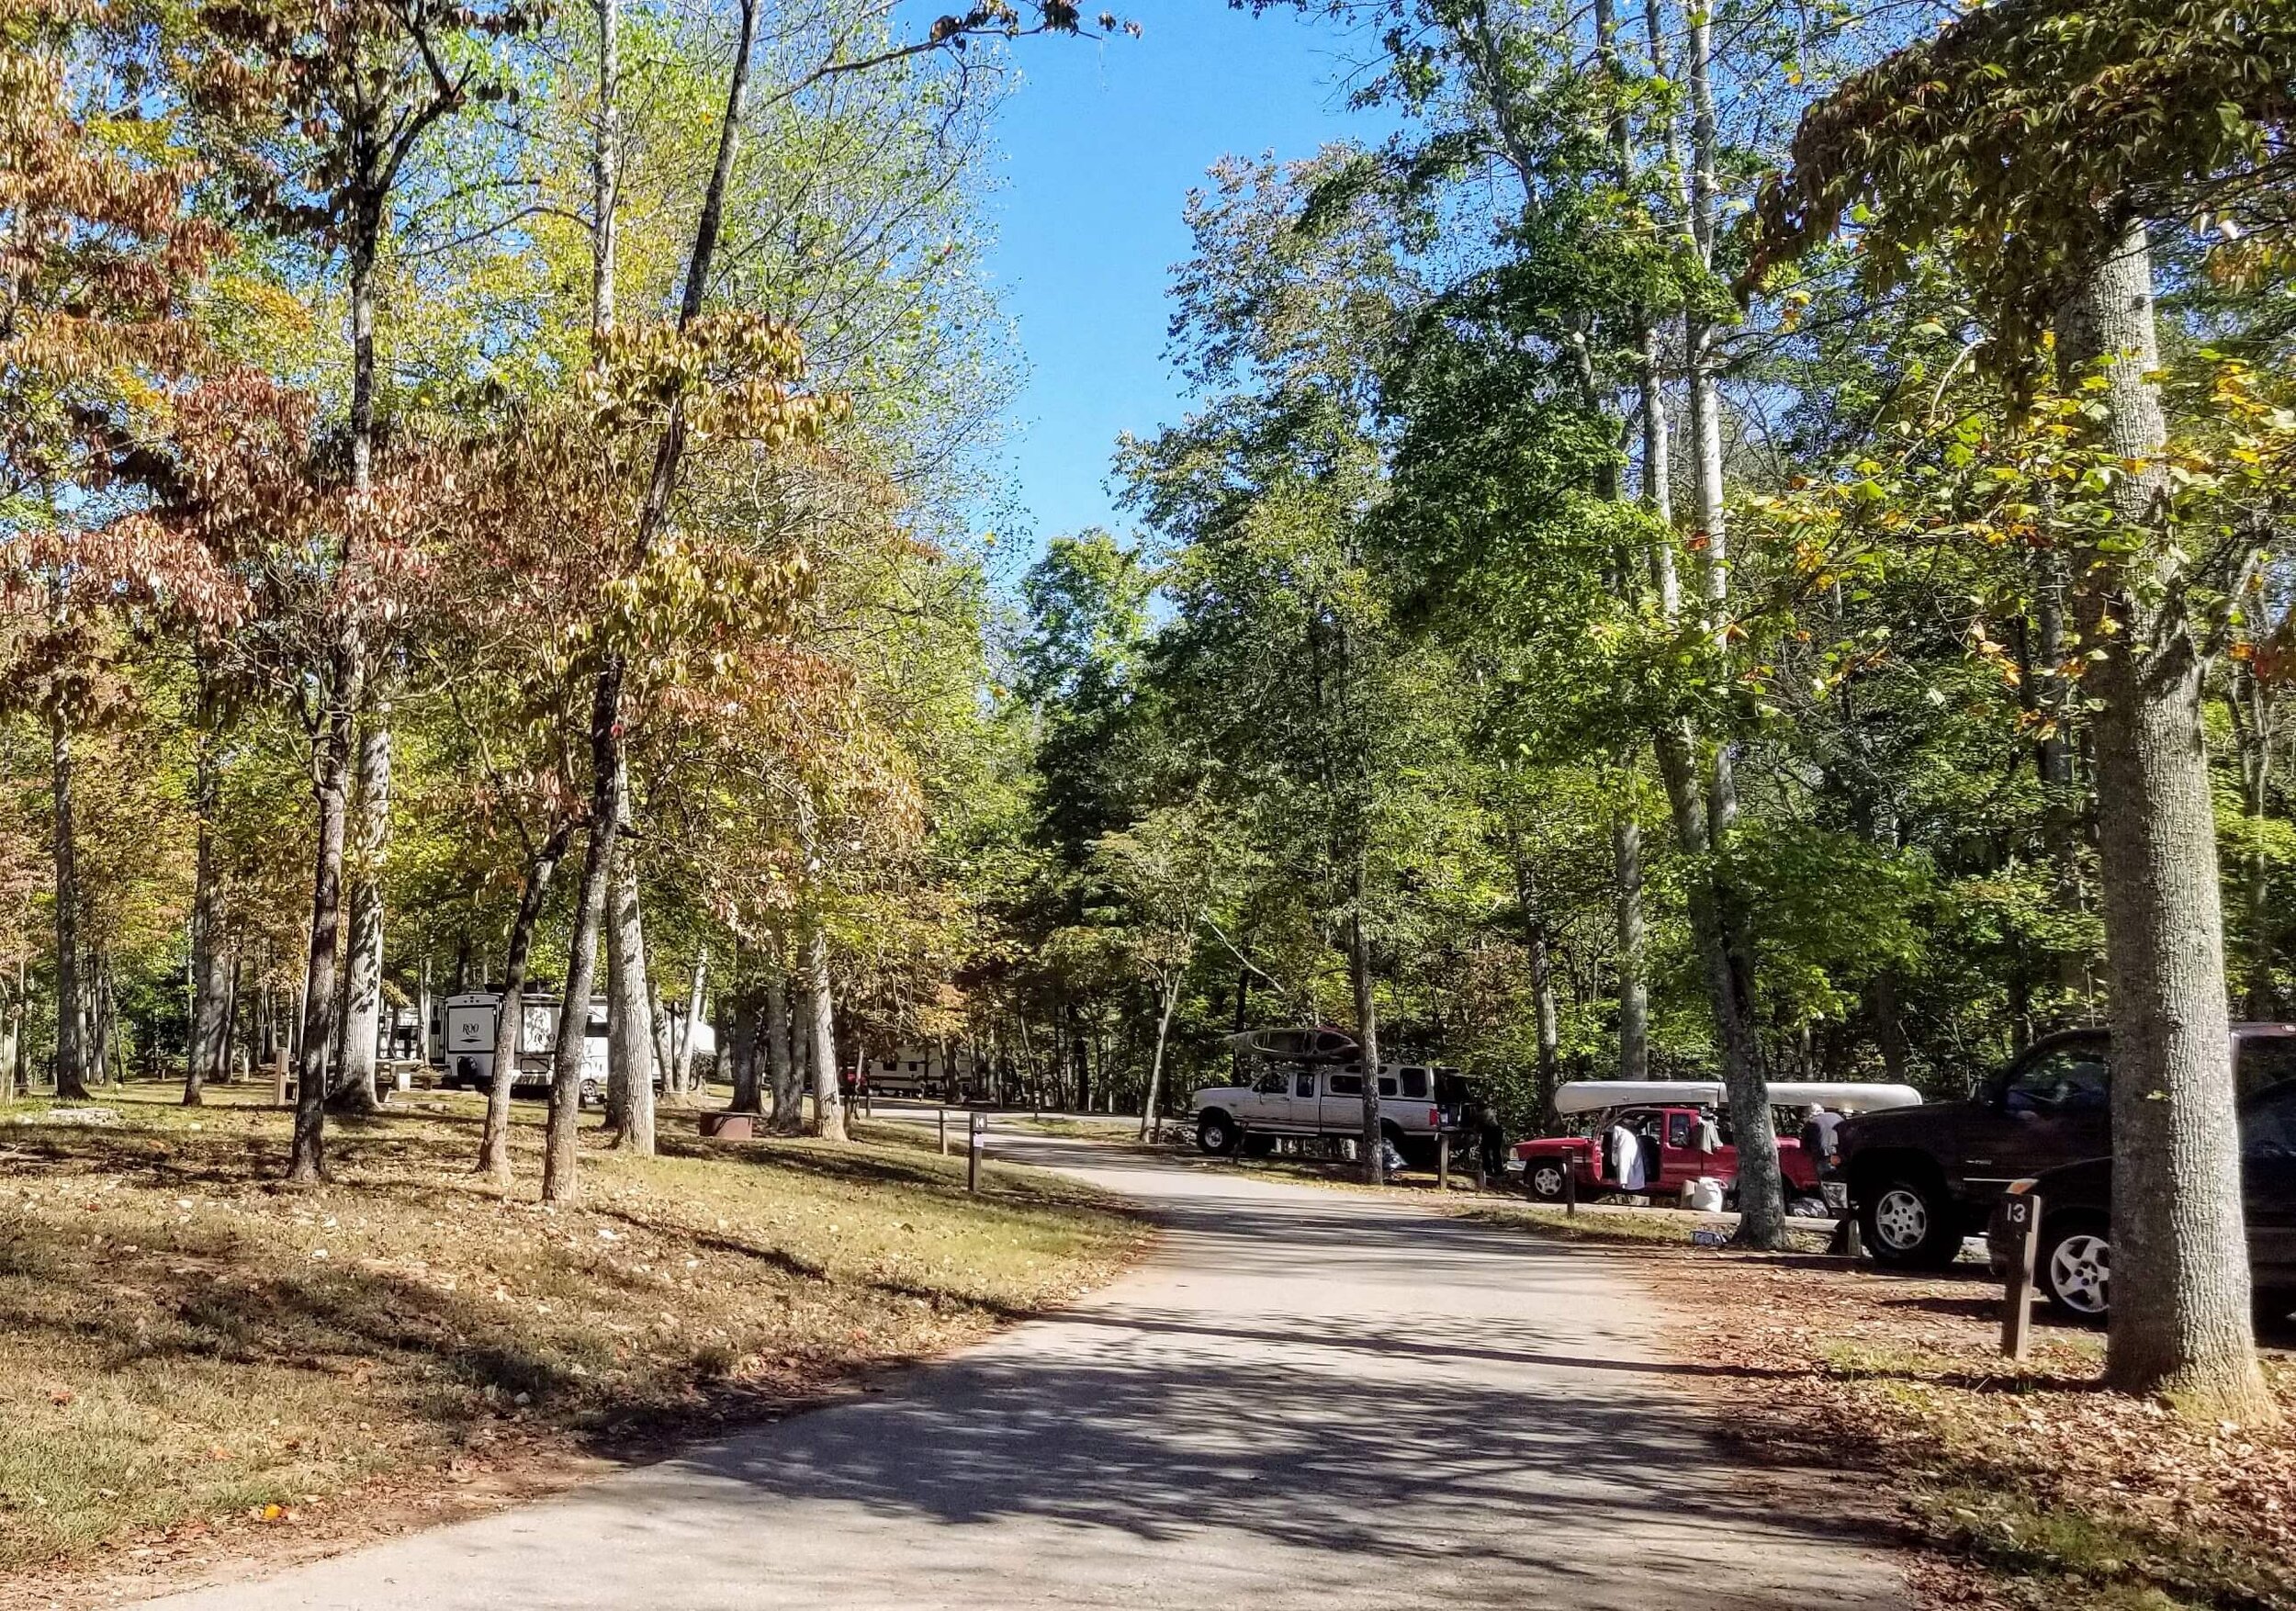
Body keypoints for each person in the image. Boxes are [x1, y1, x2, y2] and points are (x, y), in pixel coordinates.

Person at [1799, 1103, 1841, 1168]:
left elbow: (1806, 1146)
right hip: (1843, 1153)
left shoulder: (1811, 1123)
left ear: (1809, 1115)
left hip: (1824, 1157)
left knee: (1825, 1176)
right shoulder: (1836, 1116)